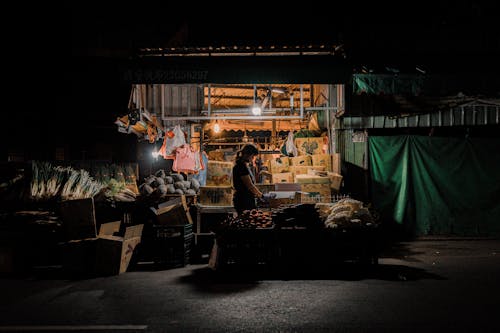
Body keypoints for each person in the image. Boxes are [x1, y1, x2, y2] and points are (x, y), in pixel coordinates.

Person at [232, 144, 263, 215]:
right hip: (244, 200)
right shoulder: (241, 167)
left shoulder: (243, 165)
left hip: (244, 199)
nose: (253, 159)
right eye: (252, 156)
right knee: (247, 221)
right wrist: (261, 196)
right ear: (247, 155)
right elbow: (250, 185)